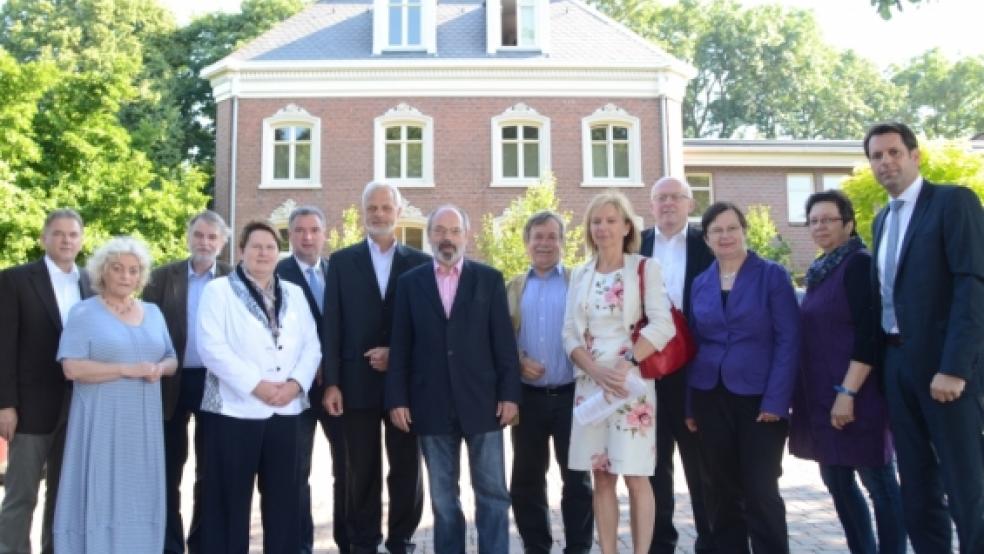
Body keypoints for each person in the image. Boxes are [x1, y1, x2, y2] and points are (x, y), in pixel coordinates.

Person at [865, 122, 984, 553]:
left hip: (945, 370)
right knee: (916, 485)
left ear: (915, 156)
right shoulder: (881, 221)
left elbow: (972, 287)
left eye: (894, 152)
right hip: (897, 367)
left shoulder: (953, 203)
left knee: (965, 482)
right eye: (877, 156)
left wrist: (954, 367)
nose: (885, 162)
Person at [385, 204, 521, 553]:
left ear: (466, 234)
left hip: (484, 404)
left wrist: (510, 395)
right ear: (429, 236)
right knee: (444, 500)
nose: (447, 238)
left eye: (454, 230)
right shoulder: (409, 284)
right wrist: (397, 398)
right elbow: (400, 346)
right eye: (440, 231)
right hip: (430, 405)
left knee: (493, 494)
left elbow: (503, 343)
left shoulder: (489, 279)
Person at [788, 190, 905, 554]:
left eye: (828, 219)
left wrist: (848, 394)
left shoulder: (857, 264)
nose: (820, 226)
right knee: (838, 482)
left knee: (880, 485)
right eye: (814, 221)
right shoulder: (821, 270)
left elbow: (869, 334)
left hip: (858, 396)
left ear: (849, 224)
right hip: (822, 397)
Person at [195, 221, 321, 553]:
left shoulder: (293, 292)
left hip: (287, 411)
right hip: (234, 411)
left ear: (278, 253)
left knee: (285, 500)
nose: (263, 253)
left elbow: (312, 345)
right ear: (241, 251)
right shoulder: (218, 291)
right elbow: (211, 347)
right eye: (256, 246)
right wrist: (257, 386)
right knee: (228, 501)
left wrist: (294, 386)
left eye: (270, 247)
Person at [563, 191, 676, 554]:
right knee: (602, 476)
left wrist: (626, 362)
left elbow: (663, 325)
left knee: (637, 476)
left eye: (611, 220)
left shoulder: (644, 268)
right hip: (591, 386)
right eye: (597, 221)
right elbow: (569, 334)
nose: (603, 228)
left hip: (631, 387)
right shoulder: (579, 273)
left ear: (627, 226)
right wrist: (595, 369)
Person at [322, 183, 429, 554]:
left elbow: (426, 329)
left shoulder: (420, 262)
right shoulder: (341, 261)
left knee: (405, 468)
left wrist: (396, 354)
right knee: (360, 468)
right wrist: (332, 383)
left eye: (386, 207)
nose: (379, 214)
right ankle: (364, 541)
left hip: (404, 386)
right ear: (363, 210)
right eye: (373, 207)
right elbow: (331, 325)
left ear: (398, 213)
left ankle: (401, 539)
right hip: (355, 383)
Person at [54, 236, 178, 552]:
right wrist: (126, 370)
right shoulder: (84, 313)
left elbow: (172, 359)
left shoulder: (153, 312)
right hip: (101, 421)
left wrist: (159, 369)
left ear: (142, 276)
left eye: (134, 270)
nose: (126, 276)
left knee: (139, 489)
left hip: (142, 423)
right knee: (101, 486)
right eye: (118, 269)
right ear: (103, 272)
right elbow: (72, 369)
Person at [687, 202, 799, 553]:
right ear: (706, 238)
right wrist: (690, 405)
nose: (725, 236)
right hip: (709, 396)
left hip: (759, 399)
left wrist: (777, 401)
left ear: (744, 231)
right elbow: (695, 344)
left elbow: (789, 341)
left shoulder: (772, 275)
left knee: (760, 491)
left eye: (732, 228)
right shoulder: (701, 283)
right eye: (716, 230)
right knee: (719, 491)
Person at [0, 209, 91, 554]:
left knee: (63, 496)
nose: (66, 240)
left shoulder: (91, 283)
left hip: (78, 406)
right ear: (44, 238)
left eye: (73, 234)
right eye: (59, 233)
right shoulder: (15, 280)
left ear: (81, 240)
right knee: (21, 495)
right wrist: (5, 404)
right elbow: (3, 345)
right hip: (29, 410)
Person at [143, 210, 232, 554]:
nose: (205, 243)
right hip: (169, 383)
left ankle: (203, 543)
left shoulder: (234, 279)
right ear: (188, 237)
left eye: (212, 237)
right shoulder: (161, 278)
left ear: (222, 243)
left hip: (216, 383)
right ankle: (169, 545)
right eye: (199, 236)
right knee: (168, 467)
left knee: (211, 470)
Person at [507, 210, 593, 554]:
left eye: (551, 236)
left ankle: (578, 549)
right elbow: (499, 339)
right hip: (528, 400)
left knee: (577, 481)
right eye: (537, 237)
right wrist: (517, 362)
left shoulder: (580, 282)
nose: (544, 243)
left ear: (562, 241)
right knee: (526, 481)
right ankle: (537, 547)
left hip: (574, 396)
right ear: (527, 243)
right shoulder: (513, 287)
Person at [639, 177, 715, 554]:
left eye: (675, 197)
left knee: (701, 464)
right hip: (646, 370)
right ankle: (660, 544)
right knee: (653, 464)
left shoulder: (709, 242)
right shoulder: (636, 244)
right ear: (651, 205)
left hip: (694, 368)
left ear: (690, 203)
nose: (668, 204)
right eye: (660, 198)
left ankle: (710, 540)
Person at [274, 205, 349, 554]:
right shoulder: (276, 274)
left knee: (348, 468)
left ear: (324, 233)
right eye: (299, 231)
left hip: (338, 388)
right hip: (295, 389)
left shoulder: (339, 272)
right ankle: (299, 546)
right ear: (289, 236)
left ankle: (349, 542)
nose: (307, 237)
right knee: (295, 473)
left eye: (314, 230)